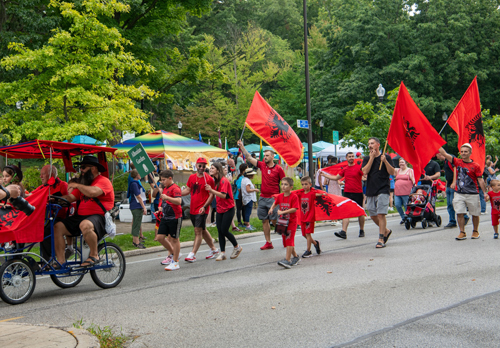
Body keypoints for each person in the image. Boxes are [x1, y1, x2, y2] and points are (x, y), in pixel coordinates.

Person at [54, 156, 114, 268]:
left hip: (99, 217)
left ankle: (94, 255)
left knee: (85, 224)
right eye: (80, 167)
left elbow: (93, 193)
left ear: (94, 168)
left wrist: (77, 185)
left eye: (83, 167)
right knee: (58, 227)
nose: (80, 170)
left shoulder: (103, 181)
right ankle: (60, 261)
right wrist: (53, 199)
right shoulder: (84, 183)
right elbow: (71, 197)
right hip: (81, 216)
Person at [237, 140, 285, 250]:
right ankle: (268, 242)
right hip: (263, 197)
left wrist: (282, 196)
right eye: (265, 155)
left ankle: (284, 237)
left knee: (274, 220)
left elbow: (284, 182)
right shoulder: (262, 165)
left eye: (267, 155)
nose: (265, 157)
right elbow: (249, 158)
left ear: (272, 157)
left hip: (274, 198)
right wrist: (242, 146)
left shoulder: (279, 169)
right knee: (264, 220)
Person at [438, 144, 487, 240]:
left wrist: (485, 193)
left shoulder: (475, 165)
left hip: (472, 193)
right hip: (459, 193)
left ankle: (475, 231)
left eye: (466, 151)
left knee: (475, 214)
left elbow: (480, 180)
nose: (463, 153)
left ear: (470, 153)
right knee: (459, 212)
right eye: (462, 151)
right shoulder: (457, 161)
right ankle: (462, 232)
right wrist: (436, 142)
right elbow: (444, 153)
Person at [181, 158, 219, 262]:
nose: (201, 168)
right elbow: (188, 190)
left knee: (197, 231)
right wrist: (176, 193)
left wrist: (205, 206)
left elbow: (212, 195)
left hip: (202, 209)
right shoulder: (192, 177)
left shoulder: (209, 179)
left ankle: (192, 254)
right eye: (200, 165)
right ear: (196, 165)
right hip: (193, 208)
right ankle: (214, 249)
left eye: (203, 166)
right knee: (202, 229)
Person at [320, 152, 365, 238]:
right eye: (349, 157)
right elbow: (336, 177)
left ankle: (361, 230)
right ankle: (343, 232)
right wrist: (325, 175)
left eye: (352, 156)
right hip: (347, 192)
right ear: (346, 158)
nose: (351, 158)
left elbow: (365, 176)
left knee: (360, 212)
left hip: (358, 192)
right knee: (346, 212)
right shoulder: (345, 169)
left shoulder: (359, 167)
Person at [204, 162, 242, 261]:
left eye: (212, 168)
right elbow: (213, 195)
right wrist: (205, 205)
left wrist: (211, 190)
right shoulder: (215, 181)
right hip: (220, 209)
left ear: (218, 169)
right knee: (220, 231)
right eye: (210, 168)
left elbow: (223, 195)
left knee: (224, 230)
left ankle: (237, 247)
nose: (210, 169)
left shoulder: (223, 181)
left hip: (228, 209)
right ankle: (222, 253)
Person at [362, 137, 395, 248]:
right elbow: (365, 172)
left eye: (372, 143)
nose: (370, 145)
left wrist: (385, 161)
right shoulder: (367, 158)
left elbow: (392, 172)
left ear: (378, 145)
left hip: (383, 189)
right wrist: (371, 158)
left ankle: (381, 238)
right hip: (371, 189)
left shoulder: (386, 157)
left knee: (381, 214)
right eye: (369, 144)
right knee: (372, 214)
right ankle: (386, 230)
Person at [34, 165, 70, 260]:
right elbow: (31, 195)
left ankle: (48, 259)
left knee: (46, 231)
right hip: (46, 217)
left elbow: (68, 201)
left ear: (51, 174)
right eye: (40, 174)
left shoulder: (63, 185)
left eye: (43, 174)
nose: (41, 176)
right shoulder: (43, 187)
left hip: (59, 217)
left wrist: (56, 200)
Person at [268, 177, 299, 269]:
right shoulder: (280, 196)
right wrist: (271, 208)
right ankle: (296, 257)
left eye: (286, 184)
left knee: (289, 240)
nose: (283, 186)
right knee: (286, 241)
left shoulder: (294, 197)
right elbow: (276, 202)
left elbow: (294, 209)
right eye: (282, 184)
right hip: (283, 222)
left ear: (291, 187)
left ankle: (287, 260)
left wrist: (282, 212)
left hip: (292, 222)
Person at [156, 170, 183, 271]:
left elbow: (178, 201)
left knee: (175, 239)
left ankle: (175, 262)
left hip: (175, 217)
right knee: (159, 237)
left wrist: (167, 197)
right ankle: (173, 253)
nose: (162, 182)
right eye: (161, 180)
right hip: (165, 216)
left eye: (163, 180)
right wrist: (161, 207)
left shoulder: (175, 188)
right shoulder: (165, 189)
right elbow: (163, 201)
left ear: (170, 178)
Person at [436, 152, 469, 228]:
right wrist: (446, 185)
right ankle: (452, 221)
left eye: (437, 155)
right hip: (449, 185)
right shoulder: (445, 162)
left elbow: (455, 170)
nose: (437, 158)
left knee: (453, 203)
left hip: (454, 185)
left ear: (440, 154)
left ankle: (464, 216)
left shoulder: (450, 158)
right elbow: (448, 174)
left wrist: (454, 182)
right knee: (449, 204)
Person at [295, 176, 321, 258]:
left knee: (308, 233)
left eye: (306, 184)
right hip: (303, 217)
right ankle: (316, 243)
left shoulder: (312, 193)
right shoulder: (300, 193)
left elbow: (320, 194)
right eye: (302, 184)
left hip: (310, 217)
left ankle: (308, 250)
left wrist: (323, 193)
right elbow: (292, 194)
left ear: (310, 184)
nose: (304, 186)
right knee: (304, 234)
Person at [128, 169, 148, 249]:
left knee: (137, 223)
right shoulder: (134, 184)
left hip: (136, 206)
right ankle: (136, 242)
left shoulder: (134, 183)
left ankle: (135, 241)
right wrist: (144, 207)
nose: (141, 175)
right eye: (139, 173)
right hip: (136, 206)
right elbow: (138, 196)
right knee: (136, 224)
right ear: (136, 175)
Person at [393, 158, 415, 224]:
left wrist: (414, 188)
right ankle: (403, 217)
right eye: (400, 162)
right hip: (397, 192)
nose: (401, 164)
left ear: (406, 163)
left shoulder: (410, 171)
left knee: (406, 206)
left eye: (402, 162)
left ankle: (408, 218)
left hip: (406, 192)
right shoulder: (398, 170)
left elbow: (413, 180)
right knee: (397, 205)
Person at [234, 164, 247, 228]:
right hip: (239, 196)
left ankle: (244, 221)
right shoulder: (241, 178)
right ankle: (239, 222)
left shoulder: (242, 177)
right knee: (239, 209)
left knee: (243, 209)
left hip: (240, 196)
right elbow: (239, 188)